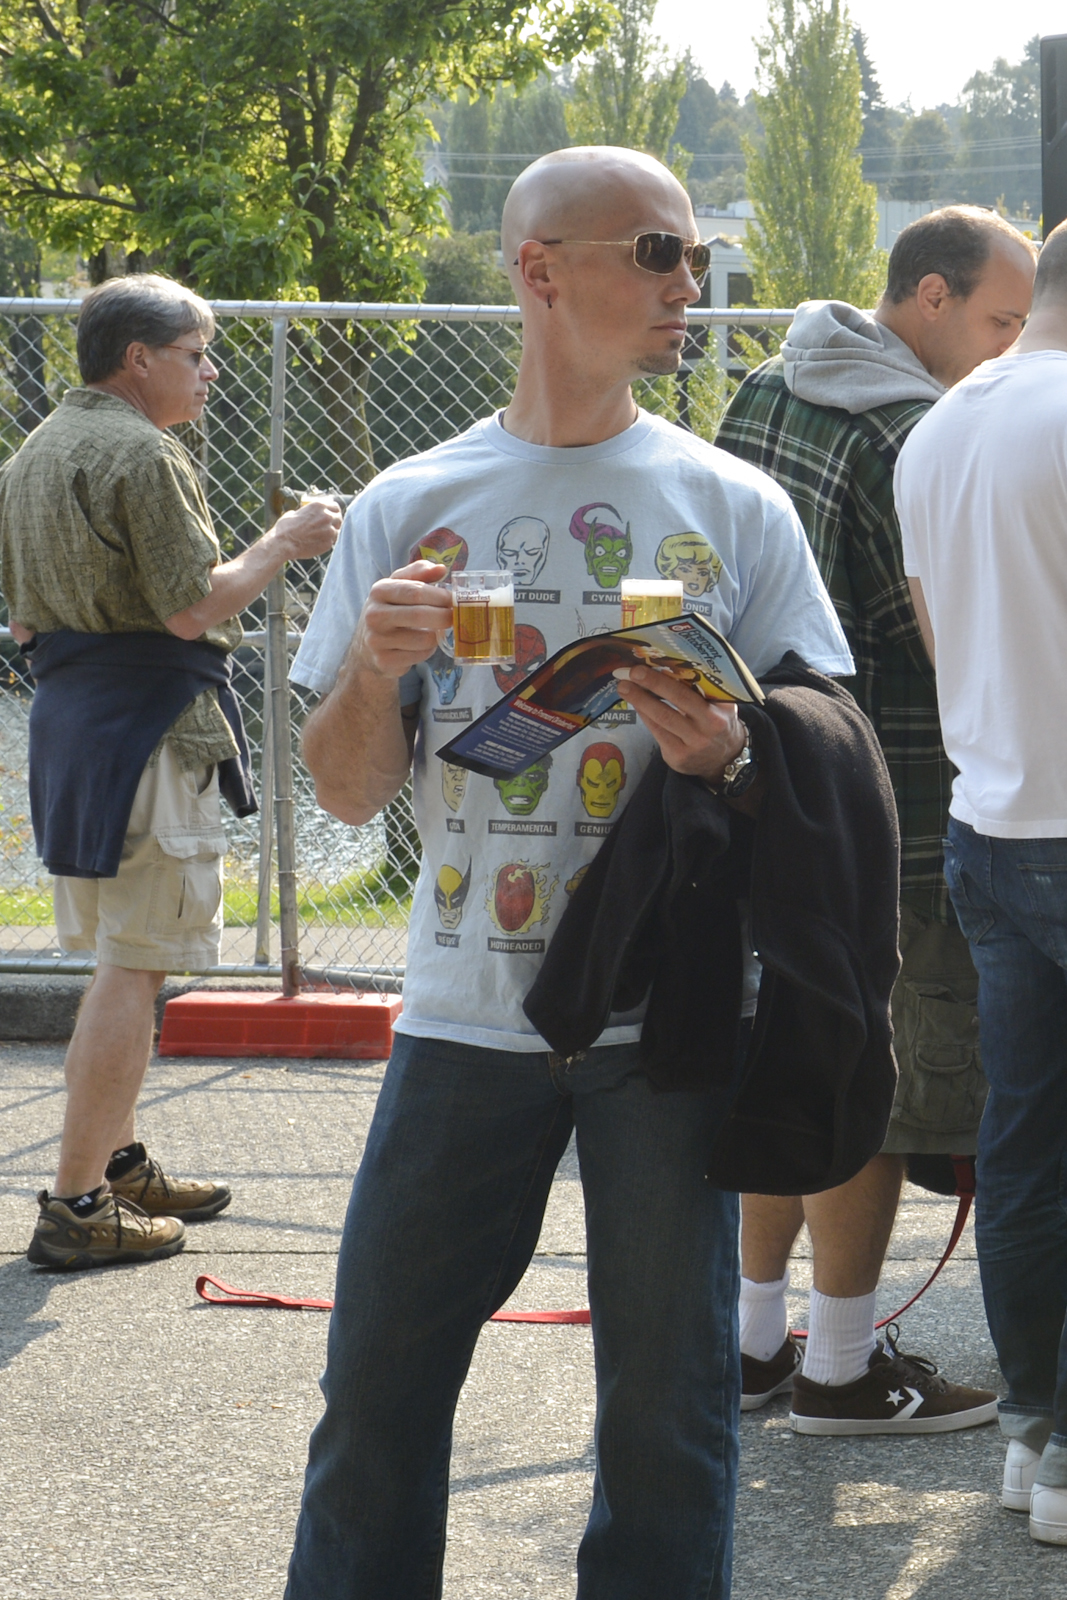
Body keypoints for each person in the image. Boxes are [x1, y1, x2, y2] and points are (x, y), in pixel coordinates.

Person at [283, 145, 854, 1600]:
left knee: (668, 1418)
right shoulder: (410, 502)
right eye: (656, 251)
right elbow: (346, 789)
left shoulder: (735, 504)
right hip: (460, 1015)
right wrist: (369, 667)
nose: (690, 281)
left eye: (694, 258)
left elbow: (829, 747)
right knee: (378, 1400)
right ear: (539, 270)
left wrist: (729, 749)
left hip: (667, 1017)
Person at [716, 205, 1036, 1433]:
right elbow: (945, 634)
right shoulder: (911, 430)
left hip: (767, 785)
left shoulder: (763, 385)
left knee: (787, 1060)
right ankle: (841, 1370)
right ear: (929, 300)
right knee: (877, 1095)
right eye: (1001, 322)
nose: (1009, 350)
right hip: (893, 812)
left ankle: (748, 1345)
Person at [0, 273, 340, 1270]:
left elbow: (22, 621)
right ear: (137, 360)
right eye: (197, 353)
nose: (212, 371)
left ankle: (114, 1164)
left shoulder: (32, 452)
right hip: (149, 731)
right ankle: (75, 1204)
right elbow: (195, 606)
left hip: (71, 728)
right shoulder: (145, 453)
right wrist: (287, 537)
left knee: (122, 955)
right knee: (134, 963)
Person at [896, 218, 1067, 1543]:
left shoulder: (939, 426)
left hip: (990, 826)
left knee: (1020, 1148)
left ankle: (1034, 1437)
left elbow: (937, 632)